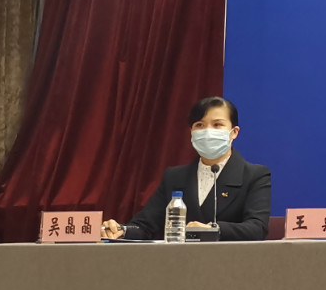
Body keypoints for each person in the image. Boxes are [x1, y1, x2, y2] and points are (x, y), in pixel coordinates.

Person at [103, 96, 271, 240]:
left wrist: (212, 229)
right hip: (181, 262)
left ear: (234, 132)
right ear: (191, 132)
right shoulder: (174, 176)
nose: (207, 132)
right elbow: (146, 225)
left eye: (217, 125)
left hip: (231, 262)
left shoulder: (255, 175)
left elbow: (257, 228)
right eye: (200, 125)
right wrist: (122, 230)